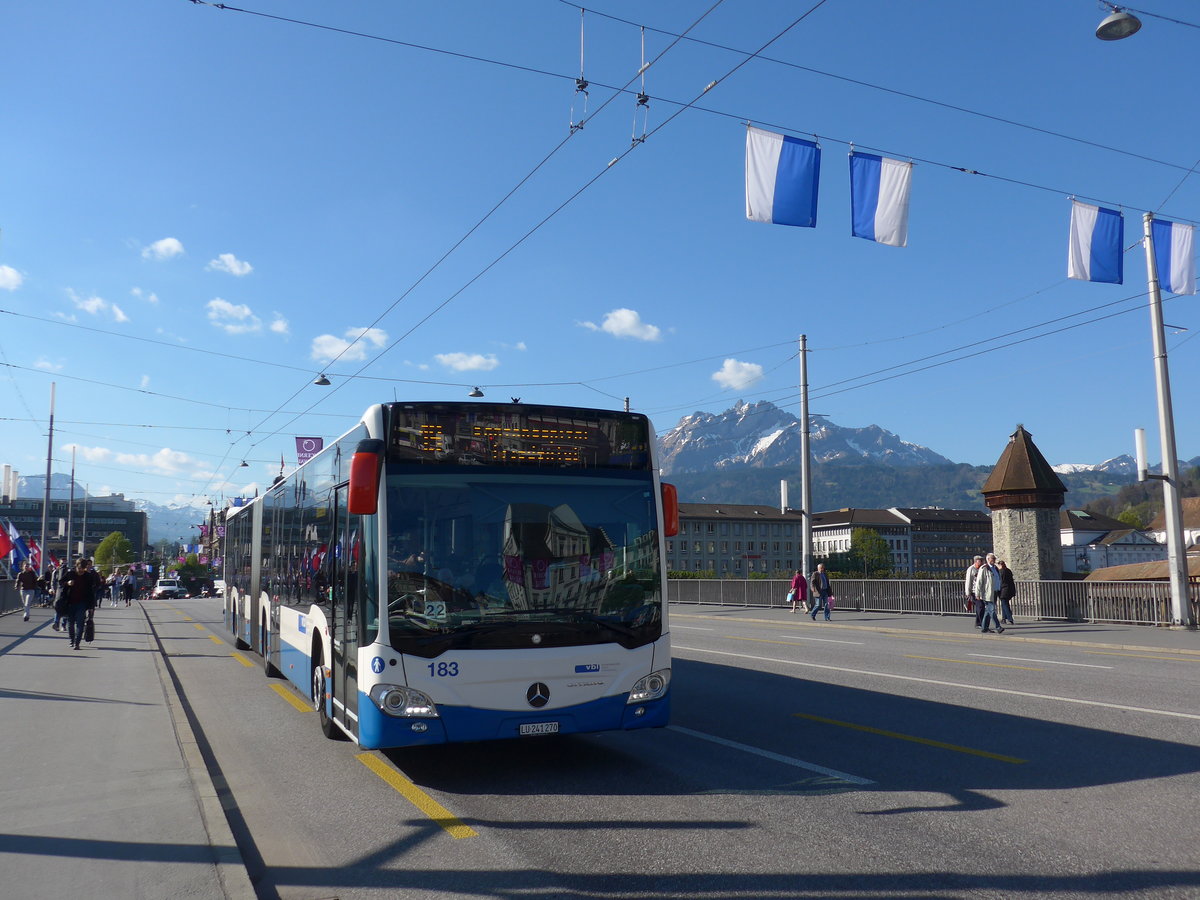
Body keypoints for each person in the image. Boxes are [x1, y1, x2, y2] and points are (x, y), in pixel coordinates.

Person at [57, 557, 101, 650]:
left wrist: (91, 607)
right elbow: (60, 582)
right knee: (70, 623)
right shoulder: (70, 574)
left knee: (80, 623)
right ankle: (72, 640)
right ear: (76, 566)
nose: (81, 570)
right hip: (70, 602)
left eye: (83, 568)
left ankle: (77, 642)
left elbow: (90, 592)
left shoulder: (88, 577)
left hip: (82, 603)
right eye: (79, 568)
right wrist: (67, 583)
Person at [974, 552, 1005, 634]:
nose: (994, 560)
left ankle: (984, 627)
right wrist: (977, 593)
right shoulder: (984, 568)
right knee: (992, 610)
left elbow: (998, 579)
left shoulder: (995, 568)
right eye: (993, 558)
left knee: (988, 611)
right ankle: (998, 627)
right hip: (987, 593)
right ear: (988, 559)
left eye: (994, 558)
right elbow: (979, 582)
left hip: (995, 591)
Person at [965, 555, 985, 628]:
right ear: (976, 561)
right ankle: (980, 623)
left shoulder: (982, 568)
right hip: (974, 591)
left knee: (980, 607)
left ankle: (978, 623)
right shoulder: (971, 569)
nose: (982, 562)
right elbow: (968, 581)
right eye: (981, 561)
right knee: (980, 606)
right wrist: (968, 593)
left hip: (982, 591)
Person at [997, 560, 1016, 625]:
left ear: (1000, 565)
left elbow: (1000, 582)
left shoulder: (1001, 572)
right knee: (1004, 604)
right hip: (1009, 590)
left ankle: (1010, 619)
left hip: (1003, 590)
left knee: (1005, 604)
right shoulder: (1008, 570)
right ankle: (1003, 619)